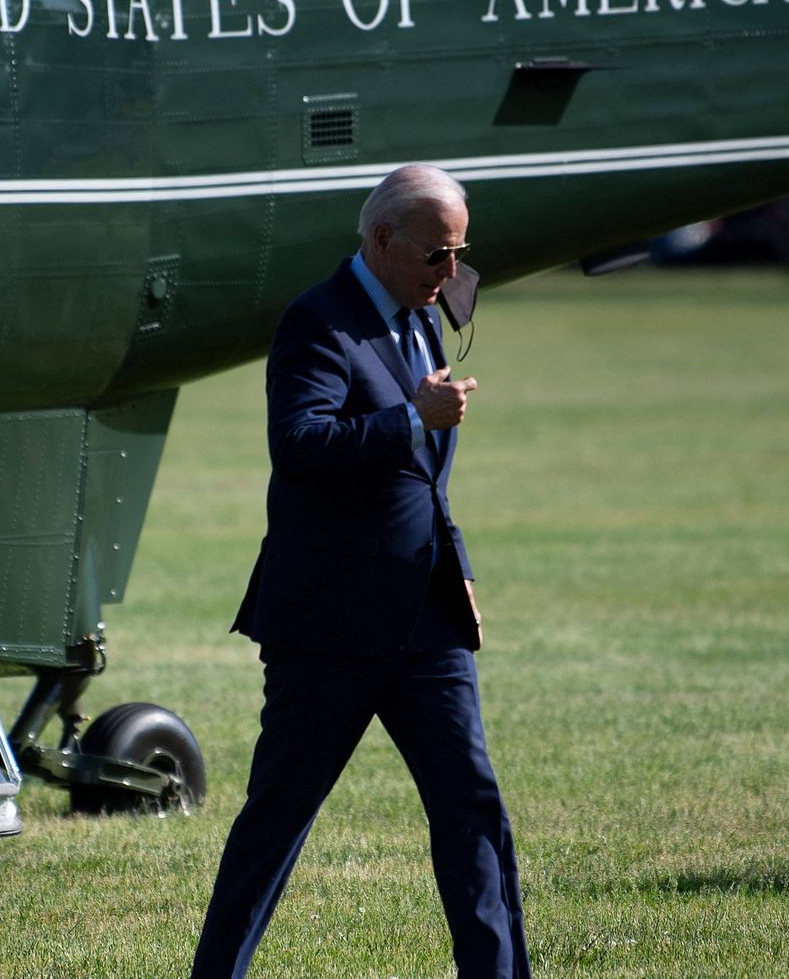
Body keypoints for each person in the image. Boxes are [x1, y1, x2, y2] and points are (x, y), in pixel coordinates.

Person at [190, 165, 529, 978]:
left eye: (460, 254)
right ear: (380, 241)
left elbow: (424, 479)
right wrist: (411, 416)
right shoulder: (319, 323)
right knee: (279, 818)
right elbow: (300, 448)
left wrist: (461, 568)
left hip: (428, 621)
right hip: (330, 628)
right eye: (436, 255)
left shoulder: (422, 317)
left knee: (472, 809)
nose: (452, 274)